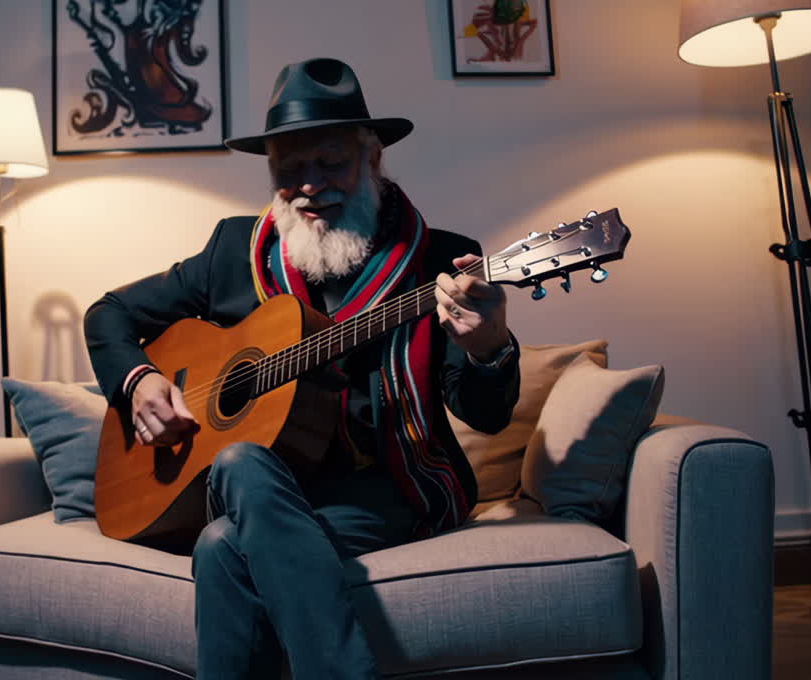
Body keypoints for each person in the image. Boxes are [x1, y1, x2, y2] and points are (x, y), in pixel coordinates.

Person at [84, 57, 520, 680]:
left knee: (221, 542)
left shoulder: (442, 263)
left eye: (331, 163)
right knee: (237, 470)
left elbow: (488, 414)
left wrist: (488, 346)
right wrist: (141, 381)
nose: (310, 185)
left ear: (373, 159)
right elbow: (109, 314)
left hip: (387, 488)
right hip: (268, 487)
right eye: (290, 170)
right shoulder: (233, 250)